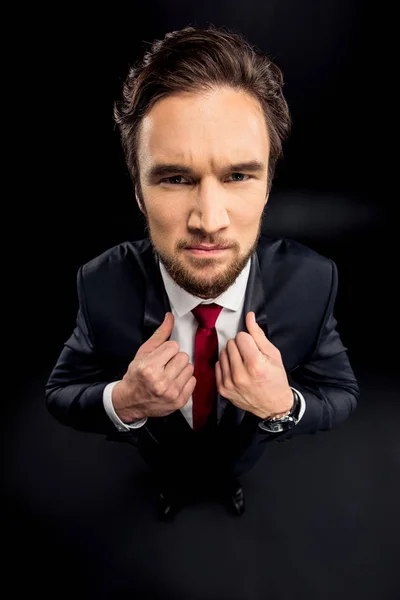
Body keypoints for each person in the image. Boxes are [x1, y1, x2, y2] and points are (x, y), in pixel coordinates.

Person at [45, 24, 360, 521]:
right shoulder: (100, 283)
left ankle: (225, 486)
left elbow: (342, 393)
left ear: (267, 186)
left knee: (225, 471)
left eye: (238, 175)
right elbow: (59, 393)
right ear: (138, 192)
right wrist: (124, 400)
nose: (208, 221)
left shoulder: (314, 282)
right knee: (173, 474)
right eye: (174, 178)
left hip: (241, 454)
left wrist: (283, 405)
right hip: (161, 455)